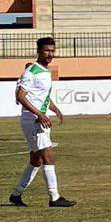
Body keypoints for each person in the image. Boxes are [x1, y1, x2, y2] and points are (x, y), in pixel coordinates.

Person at [9, 37, 74, 207]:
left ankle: (16, 194)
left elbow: (42, 97)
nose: (50, 54)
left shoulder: (45, 71)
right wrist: (40, 114)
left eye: (52, 51)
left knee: (36, 160)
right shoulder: (31, 71)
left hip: (38, 118)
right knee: (48, 156)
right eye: (47, 50)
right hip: (34, 120)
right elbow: (20, 96)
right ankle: (54, 197)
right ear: (38, 51)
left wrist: (55, 109)